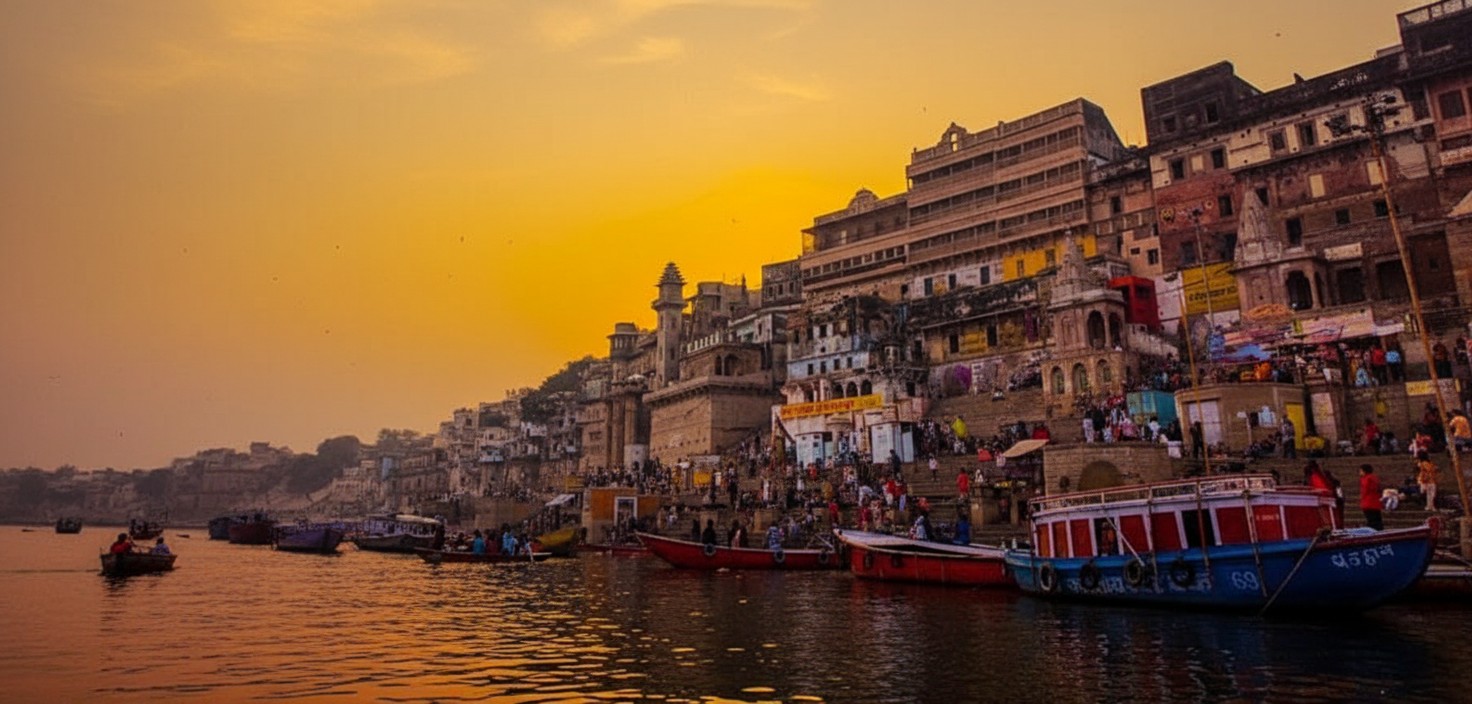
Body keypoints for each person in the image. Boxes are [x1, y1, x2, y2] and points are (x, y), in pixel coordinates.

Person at [1359, 465, 1383, 530]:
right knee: (1377, 520)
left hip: (1368, 502)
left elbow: (1365, 490)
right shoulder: (1374, 478)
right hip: (1375, 502)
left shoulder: (1366, 479)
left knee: (1371, 520)